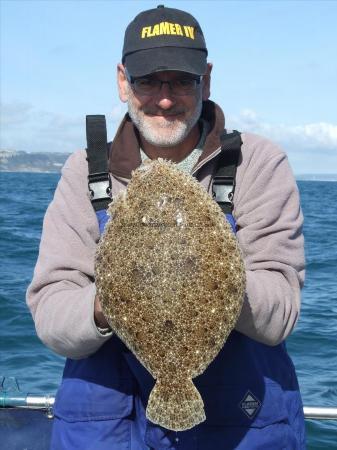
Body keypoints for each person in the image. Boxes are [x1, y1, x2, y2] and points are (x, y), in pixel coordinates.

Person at [27, 5, 306, 449]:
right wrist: (114, 302)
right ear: (122, 81)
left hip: (237, 425)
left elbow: (280, 313)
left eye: (180, 80)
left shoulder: (258, 163)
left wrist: (216, 281)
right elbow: (51, 314)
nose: (164, 97)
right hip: (107, 426)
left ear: (206, 80)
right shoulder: (84, 171)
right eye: (147, 80)